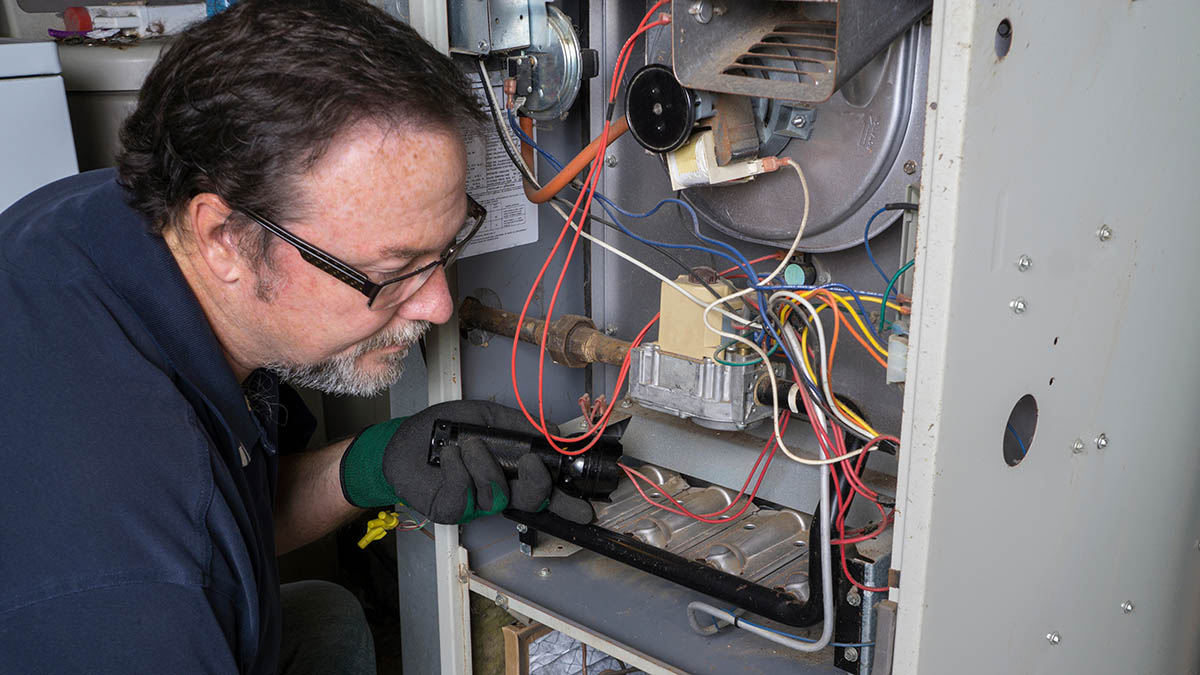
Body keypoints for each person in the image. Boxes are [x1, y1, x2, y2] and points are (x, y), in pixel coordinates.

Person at [0, 0, 590, 672]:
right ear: (224, 237)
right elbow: (185, 535)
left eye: (445, 250)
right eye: (391, 271)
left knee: (329, 621)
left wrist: (375, 460)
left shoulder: (105, 217)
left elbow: (233, 513)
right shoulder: (138, 587)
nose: (436, 304)